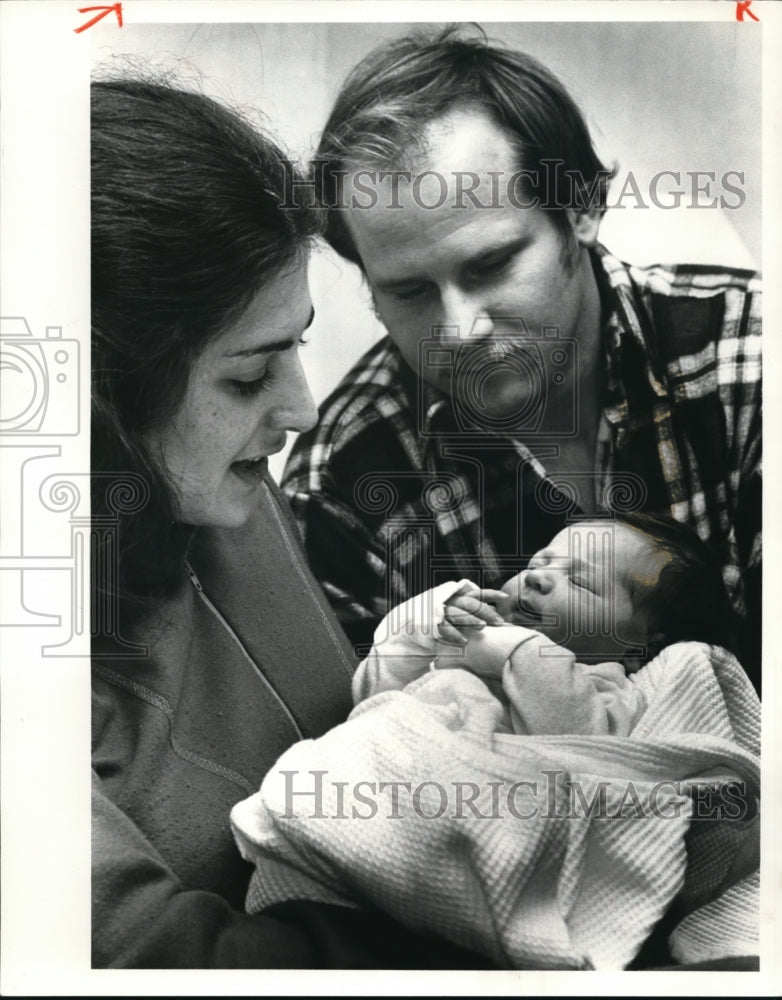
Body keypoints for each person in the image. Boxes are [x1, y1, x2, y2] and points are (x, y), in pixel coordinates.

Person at [90, 77, 493, 970]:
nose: (303, 411)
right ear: (103, 406)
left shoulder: (220, 482)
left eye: (297, 345)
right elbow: (154, 962)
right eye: (247, 377)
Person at [281, 25, 762, 693]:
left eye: (491, 264)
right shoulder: (341, 475)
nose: (460, 330)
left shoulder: (751, 353)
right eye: (411, 290)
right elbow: (351, 752)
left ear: (584, 208)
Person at [231, 513, 760, 969]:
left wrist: (520, 651)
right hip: (383, 799)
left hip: (482, 823)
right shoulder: (468, 638)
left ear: (642, 642)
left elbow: (584, 747)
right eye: (542, 561)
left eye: (580, 582)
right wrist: (423, 632)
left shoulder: (611, 687)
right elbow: (370, 697)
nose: (539, 577)